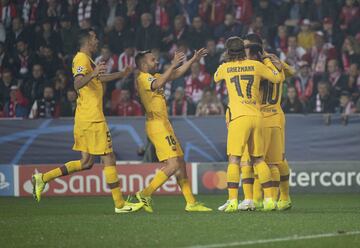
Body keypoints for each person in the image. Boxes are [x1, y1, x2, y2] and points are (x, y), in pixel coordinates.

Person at [31, 28, 143, 214]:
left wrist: (121, 74)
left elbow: (98, 79)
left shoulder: (87, 60)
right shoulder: (81, 59)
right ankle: (120, 204)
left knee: (86, 162)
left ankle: (42, 178)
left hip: (85, 117)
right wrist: (93, 73)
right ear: (87, 41)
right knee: (109, 157)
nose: (97, 40)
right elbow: (77, 83)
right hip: (92, 118)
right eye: (94, 37)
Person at [134, 48, 212, 212]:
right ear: (143, 64)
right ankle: (145, 193)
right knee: (173, 163)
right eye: (152, 60)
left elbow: (175, 74)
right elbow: (159, 83)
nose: (156, 62)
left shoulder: (153, 76)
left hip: (164, 124)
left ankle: (190, 202)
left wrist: (192, 59)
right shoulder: (142, 79)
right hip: (156, 125)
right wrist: (172, 63)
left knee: (180, 161)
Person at [214, 36, 284, 212]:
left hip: (239, 118)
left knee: (234, 159)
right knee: (259, 159)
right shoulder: (256, 65)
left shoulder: (225, 67)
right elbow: (276, 78)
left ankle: (232, 201)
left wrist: (226, 61)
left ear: (229, 52)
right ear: (244, 50)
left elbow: (215, 77)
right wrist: (277, 66)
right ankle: (269, 200)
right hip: (257, 116)